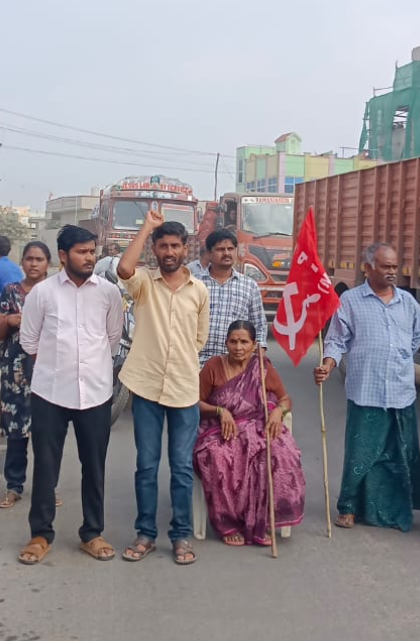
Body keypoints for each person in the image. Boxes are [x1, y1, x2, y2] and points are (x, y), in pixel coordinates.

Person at [16, 226, 123, 565]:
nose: (89, 257)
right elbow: (29, 342)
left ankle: (92, 533)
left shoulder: (108, 293)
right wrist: (58, 366)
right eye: (81, 251)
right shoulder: (43, 294)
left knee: (94, 465)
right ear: (63, 256)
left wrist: (88, 368)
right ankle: (40, 534)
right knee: (46, 465)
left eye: (92, 251)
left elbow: (112, 339)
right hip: (50, 392)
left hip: (95, 392)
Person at [118, 211, 210, 565]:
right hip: (146, 386)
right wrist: (147, 227)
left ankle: (181, 535)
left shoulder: (198, 290)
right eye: (163, 246)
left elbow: (198, 340)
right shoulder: (144, 283)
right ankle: (145, 534)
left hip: (185, 389)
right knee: (146, 465)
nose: (169, 251)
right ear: (154, 250)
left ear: (185, 248)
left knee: (182, 467)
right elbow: (124, 269)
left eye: (175, 245)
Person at [314, 242, 420, 532]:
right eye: (385, 266)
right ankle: (348, 507)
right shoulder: (351, 301)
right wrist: (328, 364)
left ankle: (395, 509)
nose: (392, 272)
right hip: (366, 390)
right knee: (361, 453)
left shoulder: (408, 302)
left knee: (398, 453)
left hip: (400, 392)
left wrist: (398, 356)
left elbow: (417, 337)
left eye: (394, 266)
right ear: (368, 268)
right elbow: (337, 339)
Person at [195, 320, 305, 546]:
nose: (238, 347)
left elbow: (285, 399)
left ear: (254, 345)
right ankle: (229, 523)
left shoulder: (262, 368)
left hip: (257, 428)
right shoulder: (213, 366)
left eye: (244, 342)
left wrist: (278, 413)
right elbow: (195, 402)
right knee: (218, 456)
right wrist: (220, 410)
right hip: (221, 430)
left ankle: (263, 521)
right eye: (233, 341)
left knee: (281, 454)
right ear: (226, 343)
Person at [0, 241, 52, 510]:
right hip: (15, 372)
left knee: (47, 433)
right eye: (29, 258)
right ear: (22, 262)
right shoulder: (10, 292)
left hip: (50, 372)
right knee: (16, 433)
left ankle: (47, 488)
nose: (34, 263)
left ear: (49, 263)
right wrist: (8, 321)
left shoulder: (56, 291)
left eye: (39, 259)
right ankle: (14, 486)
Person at [196, 229, 267, 364]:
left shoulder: (249, 286)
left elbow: (259, 325)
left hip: (234, 364)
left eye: (230, 249)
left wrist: (258, 360)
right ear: (209, 253)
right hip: (197, 361)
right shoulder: (194, 283)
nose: (226, 253)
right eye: (220, 249)